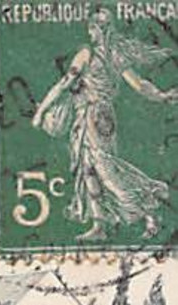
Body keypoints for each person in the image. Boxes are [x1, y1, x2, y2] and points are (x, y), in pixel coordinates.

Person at [32, 6, 178, 241]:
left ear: (94, 30)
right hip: (104, 115)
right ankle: (99, 225)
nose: (93, 31)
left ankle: (149, 206)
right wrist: (161, 96)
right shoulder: (116, 55)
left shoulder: (86, 54)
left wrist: (40, 112)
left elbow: (63, 84)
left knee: (104, 168)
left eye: (94, 27)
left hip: (91, 115)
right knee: (90, 168)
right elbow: (140, 85)